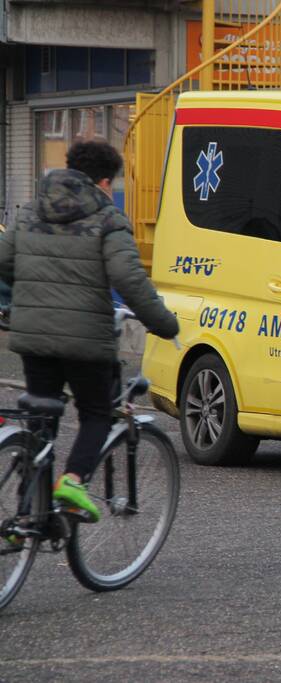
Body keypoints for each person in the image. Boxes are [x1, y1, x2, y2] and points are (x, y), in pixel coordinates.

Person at [0, 140, 178, 523]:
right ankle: (74, 481)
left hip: (32, 337)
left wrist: (24, 294)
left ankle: (28, 514)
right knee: (98, 412)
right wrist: (163, 323)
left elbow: (3, 259)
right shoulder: (107, 217)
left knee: (41, 419)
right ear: (102, 182)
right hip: (85, 340)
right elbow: (128, 278)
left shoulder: (32, 210)